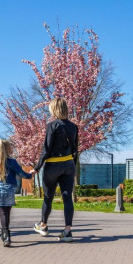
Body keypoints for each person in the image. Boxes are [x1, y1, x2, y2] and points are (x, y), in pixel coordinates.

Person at [33, 97, 78, 243]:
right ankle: (68, 231)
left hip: (52, 165)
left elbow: (46, 149)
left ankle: (43, 225)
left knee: (48, 197)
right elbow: (75, 149)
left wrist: (37, 167)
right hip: (68, 164)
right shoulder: (73, 127)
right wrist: (73, 166)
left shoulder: (52, 125)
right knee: (67, 198)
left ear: (54, 109)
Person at [0, 139, 33, 247]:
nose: (12, 149)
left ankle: (5, 234)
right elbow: (21, 173)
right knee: (7, 212)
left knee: (2, 213)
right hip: (9, 188)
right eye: (10, 147)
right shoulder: (11, 162)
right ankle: (6, 234)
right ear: (7, 149)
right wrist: (30, 175)